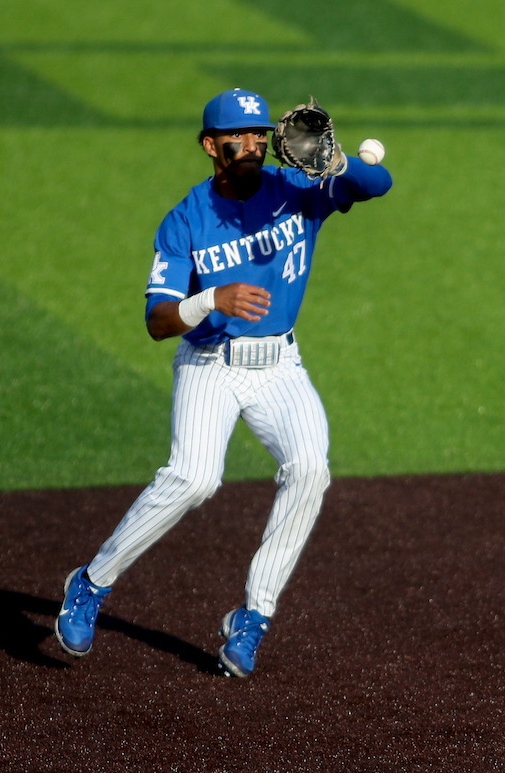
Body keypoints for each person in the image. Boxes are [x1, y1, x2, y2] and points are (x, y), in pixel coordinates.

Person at [55, 88, 392, 678]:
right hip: (211, 365)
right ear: (211, 146)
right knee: (192, 478)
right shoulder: (185, 220)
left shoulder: (294, 191)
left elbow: (376, 185)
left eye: (262, 133)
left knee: (311, 468)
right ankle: (90, 583)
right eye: (241, 135)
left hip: (281, 366)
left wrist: (341, 164)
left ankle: (253, 616)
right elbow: (158, 321)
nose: (255, 143)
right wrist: (212, 297)